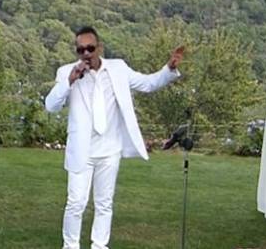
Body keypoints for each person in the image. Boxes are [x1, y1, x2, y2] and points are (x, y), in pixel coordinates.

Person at [45, 26, 184, 249]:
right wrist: (69, 81)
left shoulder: (118, 68)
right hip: (81, 150)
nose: (86, 54)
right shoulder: (66, 72)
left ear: (99, 48)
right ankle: (70, 246)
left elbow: (148, 84)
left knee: (104, 203)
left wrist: (169, 68)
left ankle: (100, 245)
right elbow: (51, 106)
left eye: (90, 48)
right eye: (80, 50)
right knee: (76, 203)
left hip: (110, 149)